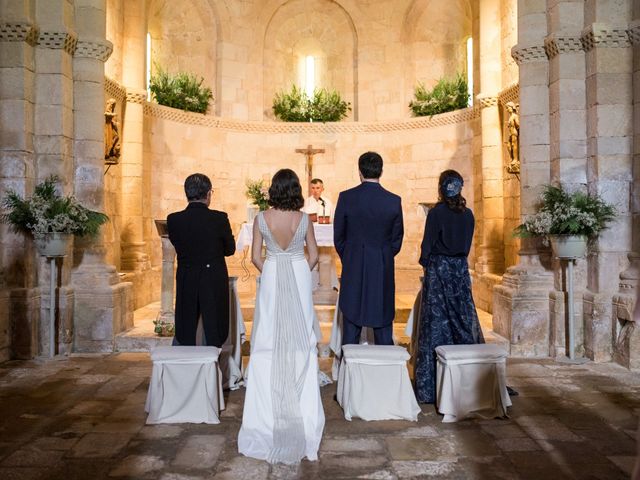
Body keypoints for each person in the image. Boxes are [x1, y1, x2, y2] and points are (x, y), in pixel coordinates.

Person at [238, 169, 325, 464]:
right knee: (301, 330)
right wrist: (298, 269)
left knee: (269, 332)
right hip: (299, 270)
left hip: (273, 269)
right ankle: (299, 384)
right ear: (297, 189)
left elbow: (254, 257)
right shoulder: (303, 219)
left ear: (274, 190)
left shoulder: (261, 219)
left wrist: (274, 269)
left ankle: (268, 400)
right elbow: (314, 255)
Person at [414, 170, 484, 404]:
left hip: (439, 270)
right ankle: (468, 378)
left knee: (436, 322)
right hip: (460, 271)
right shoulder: (468, 215)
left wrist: (426, 264)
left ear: (441, 187)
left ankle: (431, 386)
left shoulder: (436, 213)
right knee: (463, 318)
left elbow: (428, 245)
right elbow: (466, 244)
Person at [333, 151, 404, 346]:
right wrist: (383, 256)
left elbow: (338, 236)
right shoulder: (393, 200)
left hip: (353, 264)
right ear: (381, 171)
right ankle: (384, 372)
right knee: (382, 326)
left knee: (351, 326)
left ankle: (349, 374)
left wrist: (350, 256)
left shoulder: (346, 198)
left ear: (360, 171)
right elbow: (397, 239)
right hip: (382, 266)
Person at [167, 173, 235, 347]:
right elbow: (230, 250)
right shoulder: (219, 218)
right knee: (215, 331)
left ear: (186, 194)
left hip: (187, 275)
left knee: (186, 328)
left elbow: (178, 245)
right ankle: (213, 370)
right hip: (213, 277)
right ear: (209, 194)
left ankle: (188, 369)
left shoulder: (173, 220)